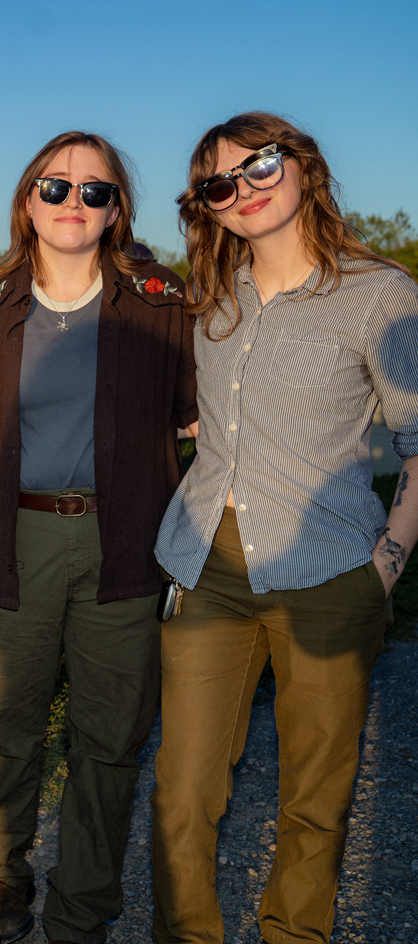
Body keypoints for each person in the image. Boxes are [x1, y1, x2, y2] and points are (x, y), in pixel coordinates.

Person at [152, 112, 418, 944]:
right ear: (208, 207)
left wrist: (388, 564)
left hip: (333, 575)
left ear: (303, 165)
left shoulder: (381, 294)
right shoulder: (211, 298)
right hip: (208, 570)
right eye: (219, 184)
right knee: (182, 794)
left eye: (261, 165)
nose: (244, 190)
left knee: (315, 797)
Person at [0, 131, 196, 944]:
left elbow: (190, 417)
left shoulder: (163, 305)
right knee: (6, 724)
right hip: (14, 536)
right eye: (55, 188)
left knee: (109, 736)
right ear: (28, 202)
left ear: (118, 208)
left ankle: (84, 901)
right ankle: (0, 876)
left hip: (124, 540)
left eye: (95, 191)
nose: (73, 204)